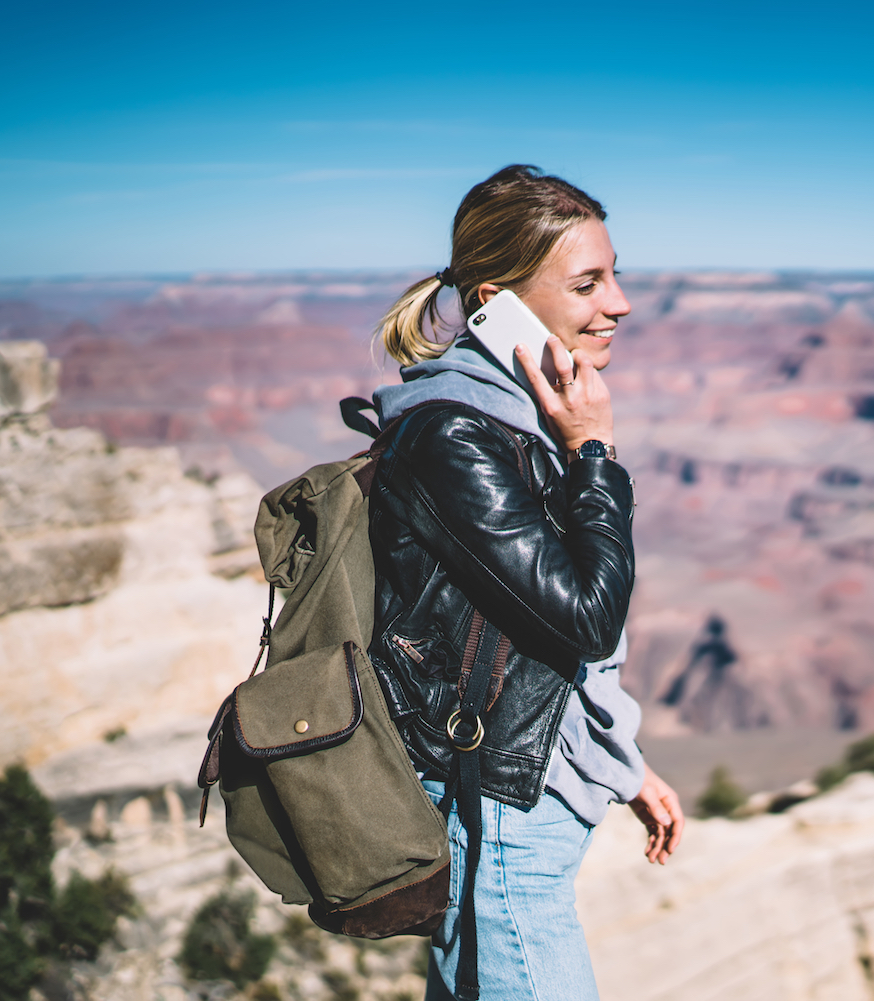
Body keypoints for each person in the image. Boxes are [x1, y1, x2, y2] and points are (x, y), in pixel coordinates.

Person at [366, 164, 684, 1001]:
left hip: (522, 802)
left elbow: (527, 645)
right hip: (501, 821)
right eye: (587, 283)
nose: (620, 304)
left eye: (614, 276)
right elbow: (586, 616)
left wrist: (621, 763)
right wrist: (594, 452)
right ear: (495, 300)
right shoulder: (455, 437)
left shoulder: (519, 420)